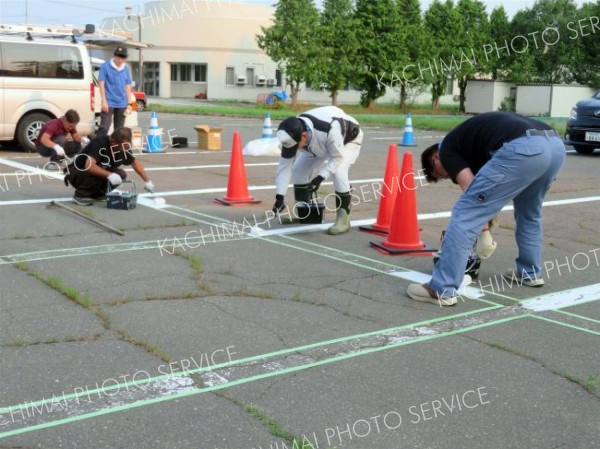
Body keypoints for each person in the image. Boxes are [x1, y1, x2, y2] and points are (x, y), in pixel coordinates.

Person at [408, 111, 566, 306]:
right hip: (554, 146)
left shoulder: (447, 149)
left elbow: (472, 201)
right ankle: (530, 273)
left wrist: (484, 234)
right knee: (529, 213)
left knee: (464, 214)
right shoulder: (472, 147)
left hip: (523, 148)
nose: (447, 177)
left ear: (435, 158)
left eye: (440, 175)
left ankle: (441, 288)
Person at [274, 106, 363, 235]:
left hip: (347, 140)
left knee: (339, 172)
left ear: (303, 136)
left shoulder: (330, 129)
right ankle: (304, 214)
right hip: (316, 145)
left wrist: (320, 177)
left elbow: (337, 158)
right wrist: (279, 196)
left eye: (295, 147)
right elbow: (284, 167)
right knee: (298, 170)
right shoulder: (292, 134)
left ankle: (344, 219)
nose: (293, 150)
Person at [64, 127, 155, 206]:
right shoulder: (99, 143)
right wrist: (109, 175)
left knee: (121, 174)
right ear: (113, 142)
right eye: (123, 147)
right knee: (100, 170)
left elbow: (134, 163)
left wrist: (147, 181)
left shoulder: (123, 147)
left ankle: (98, 195)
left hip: (92, 172)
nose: (125, 150)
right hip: (76, 172)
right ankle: (81, 195)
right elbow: (90, 166)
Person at [97, 46, 133, 137]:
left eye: (123, 58)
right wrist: (103, 101)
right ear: (115, 56)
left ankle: (116, 149)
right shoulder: (105, 66)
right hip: (109, 102)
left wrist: (130, 104)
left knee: (119, 130)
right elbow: (101, 83)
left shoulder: (126, 68)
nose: (120, 60)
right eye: (118, 57)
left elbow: (128, 86)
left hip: (122, 103)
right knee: (104, 127)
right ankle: (99, 148)